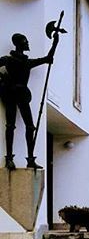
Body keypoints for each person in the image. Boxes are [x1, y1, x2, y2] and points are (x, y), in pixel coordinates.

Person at [0, 31, 59, 169]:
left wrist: (55, 43)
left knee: (30, 126)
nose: (27, 43)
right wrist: (3, 79)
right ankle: (9, 158)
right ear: (19, 43)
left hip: (22, 95)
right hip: (10, 94)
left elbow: (48, 58)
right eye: (25, 41)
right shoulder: (8, 60)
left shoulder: (27, 62)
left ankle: (30, 159)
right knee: (10, 125)